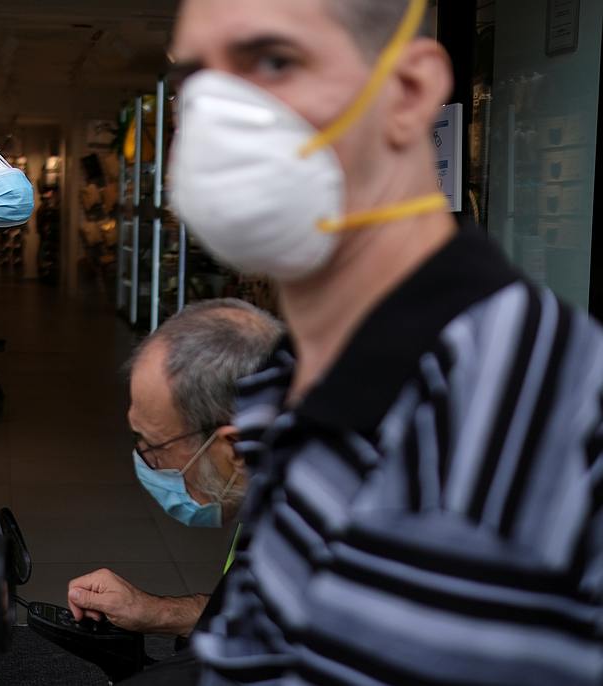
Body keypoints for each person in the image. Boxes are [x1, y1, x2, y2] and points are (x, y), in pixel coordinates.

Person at [144, 0, 602, 685]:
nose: (219, 119)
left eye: (274, 61)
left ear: (409, 92)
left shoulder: (525, 404)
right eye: (198, 83)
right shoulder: (295, 377)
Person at [67, 299, 284, 637]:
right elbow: (262, 616)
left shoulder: (331, 539)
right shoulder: (280, 487)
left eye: (154, 446)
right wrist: (154, 611)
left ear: (236, 449)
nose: (144, 462)